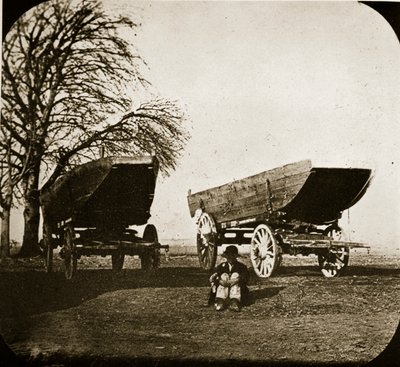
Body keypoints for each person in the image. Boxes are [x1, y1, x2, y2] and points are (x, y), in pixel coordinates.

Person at [208, 245, 249, 312]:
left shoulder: (241, 266)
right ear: (226, 257)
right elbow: (215, 276)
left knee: (235, 275)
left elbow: (245, 278)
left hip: (236, 288)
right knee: (224, 275)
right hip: (224, 287)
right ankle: (220, 301)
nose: (230, 258)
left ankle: (235, 301)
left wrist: (236, 280)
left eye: (232, 256)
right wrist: (220, 281)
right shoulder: (221, 266)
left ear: (235, 257)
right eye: (228, 256)